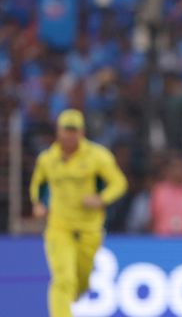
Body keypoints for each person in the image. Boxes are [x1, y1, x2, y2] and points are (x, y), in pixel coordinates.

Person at [29, 109, 128, 317]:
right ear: (58, 131)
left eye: (74, 131)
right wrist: (38, 204)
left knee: (81, 280)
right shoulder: (47, 159)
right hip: (59, 227)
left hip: (89, 228)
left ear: (82, 132)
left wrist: (101, 199)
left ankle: (77, 290)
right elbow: (38, 185)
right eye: (66, 130)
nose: (70, 135)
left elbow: (119, 183)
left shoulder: (97, 156)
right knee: (63, 279)